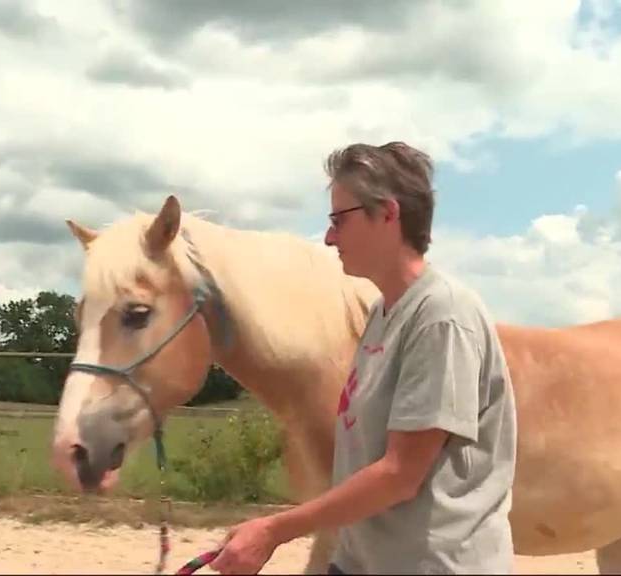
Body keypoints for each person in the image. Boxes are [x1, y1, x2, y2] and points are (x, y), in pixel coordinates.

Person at [208, 141, 517, 575]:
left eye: (339, 219)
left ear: (388, 214)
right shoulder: (383, 311)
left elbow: (400, 474)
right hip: (364, 562)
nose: (330, 236)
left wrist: (274, 530)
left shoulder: (442, 316)